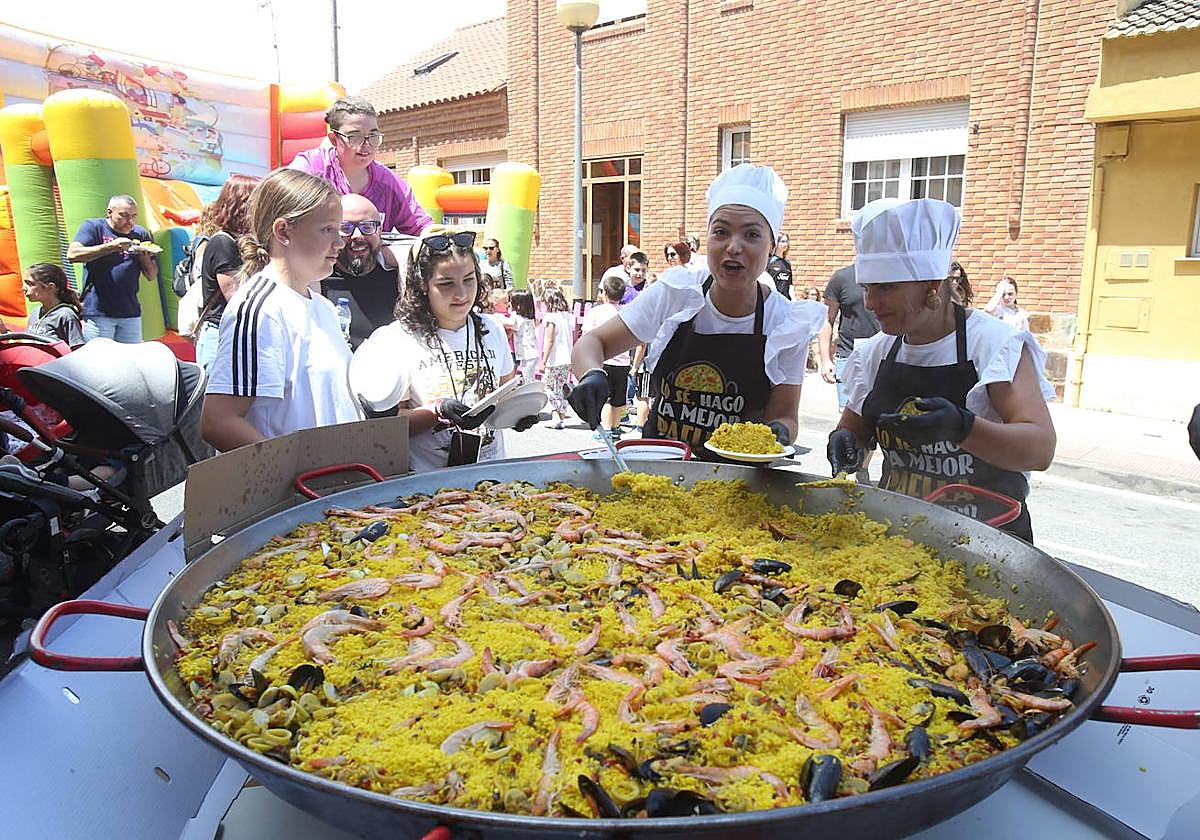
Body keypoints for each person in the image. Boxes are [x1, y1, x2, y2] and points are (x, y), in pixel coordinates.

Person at [826, 197, 1057, 543]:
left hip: (986, 543)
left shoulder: (993, 344)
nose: (871, 303)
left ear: (932, 285)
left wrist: (962, 427)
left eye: (885, 288)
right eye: (867, 288)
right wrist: (847, 441)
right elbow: (855, 427)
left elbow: (1040, 449)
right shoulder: (877, 351)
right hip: (900, 535)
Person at [569, 163, 826, 455]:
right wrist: (591, 375)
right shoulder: (677, 293)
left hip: (739, 482)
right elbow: (593, 343)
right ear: (707, 240)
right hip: (660, 465)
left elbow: (786, 415)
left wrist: (779, 432)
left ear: (772, 246)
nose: (733, 246)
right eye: (721, 232)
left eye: (752, 235)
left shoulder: (785, 323)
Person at [349, 229, 538, 472]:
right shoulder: (396, 339)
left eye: (469, 280)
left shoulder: (493, 329)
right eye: (446, 283)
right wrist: (436, 412)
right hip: (427, 485)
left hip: (493, 477)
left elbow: (504, 393)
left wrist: (519, 413)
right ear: (422, 285)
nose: (461, 294)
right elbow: (386, 426)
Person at [202, 169, 360, 451]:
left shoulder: (321, 306)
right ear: (283, 231)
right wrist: (298, 473)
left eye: (340, 230)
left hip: (333, 484)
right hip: (297, 492)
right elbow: (219, 422)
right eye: (327, 230)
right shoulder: (260, 309)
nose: (340, 242)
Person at [289, 96, 432, 236]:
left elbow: (421, 226)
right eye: (355, 137)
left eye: (373, 136)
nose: (367, 145)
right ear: (334, 139)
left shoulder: (389, 182)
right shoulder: (310, 169)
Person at [67, 195, 158, 344]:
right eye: (124, 215)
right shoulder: (94, 227)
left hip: (130, 311)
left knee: (132, 359)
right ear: (109, 212)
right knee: (100, 359)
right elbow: (72, 255)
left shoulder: (140, 234)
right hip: (98, 311)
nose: (130, 222)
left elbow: (151, 275)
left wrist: (144, 256)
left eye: (134, 216)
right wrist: (110, 247)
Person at [320, 194, 400, 350]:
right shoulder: (317, 282)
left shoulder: (401, 277)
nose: (357, 235)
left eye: (367, 226)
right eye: (345, 228)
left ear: (380, 230)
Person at [195, 173, 259, 368]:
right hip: (220, 333)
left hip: (235, 333)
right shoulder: (223, 242)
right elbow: (236, 296)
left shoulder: (242, 241)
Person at [819, 262, 881, 412]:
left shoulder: (889, 275)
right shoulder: (842, 277)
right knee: (847, 417)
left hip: (882, 356)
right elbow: (826, 320)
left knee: (878, 416)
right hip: (849, 355)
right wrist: (825, 359)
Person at [581, 274, 631, 438]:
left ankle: (606, 430)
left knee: (605, 396)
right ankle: (616, 426)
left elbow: (587, 335)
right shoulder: (626, 313)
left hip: (603, 360)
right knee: (618, 397)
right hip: (622, 361)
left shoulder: (596, 312)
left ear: (604, 293)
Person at [21, 263, 84, 348]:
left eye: (30, 284)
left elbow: (77, 349)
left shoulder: (65, 315)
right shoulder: (35, 312)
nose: (23, 288)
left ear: (50, 287)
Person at [540, 288, 575, 429]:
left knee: (548, 386)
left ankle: (555, 414)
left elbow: (549, 340)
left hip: (554, 359)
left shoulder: (550, 318)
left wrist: (543, 360)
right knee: (560, 386)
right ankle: (561, 414)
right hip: (567, 358)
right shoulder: (567, 316)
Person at [510, 290, 540, 385]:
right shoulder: (530, 318)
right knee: (529, 377)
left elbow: (511, 324)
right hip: (531, 353)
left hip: (527, 354)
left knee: (528, 379)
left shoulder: (517, 318)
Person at [765, 232, 793, 298]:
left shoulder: (787, 263)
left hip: (785, 300)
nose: (786, 244)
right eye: (783, 241)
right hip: (772, 299)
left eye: (787, 241)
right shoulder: (769, 261)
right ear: (776, 243)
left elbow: (790, 285)